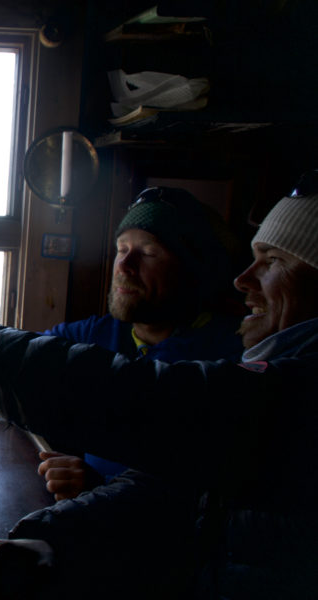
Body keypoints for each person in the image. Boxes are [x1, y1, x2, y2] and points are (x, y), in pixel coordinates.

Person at [0, 174, 318, 599]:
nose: (243, 280)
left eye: (275, 261)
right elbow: (175, 488)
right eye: (121, 249)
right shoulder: (102, 334)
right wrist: (53, 537)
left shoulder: (248, 370)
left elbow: (140, 401)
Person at [38, 186, 243, 500]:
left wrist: (100, 491)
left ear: (192, 271)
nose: (124, 265)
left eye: (148, 252)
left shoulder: (230, 357)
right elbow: (18, 353)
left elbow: (207, 494)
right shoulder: (98, 334)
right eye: (122, 249)